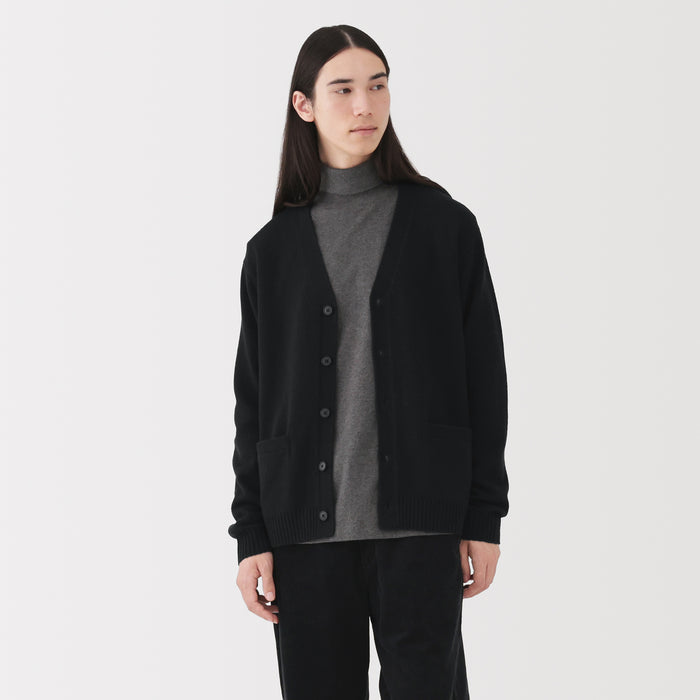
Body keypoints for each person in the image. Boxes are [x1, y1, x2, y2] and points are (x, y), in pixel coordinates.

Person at [227, 24, 510, 700]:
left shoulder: (444, 225)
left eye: (378, 86)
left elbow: (485, 378)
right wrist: (251, 533)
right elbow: (254, 403)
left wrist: (483, 515)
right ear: (303, 105)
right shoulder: (271, 251)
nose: (365, 106)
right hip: (304, 538)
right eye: (344, 89)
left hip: (421, 529)